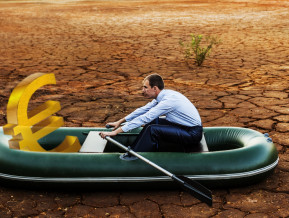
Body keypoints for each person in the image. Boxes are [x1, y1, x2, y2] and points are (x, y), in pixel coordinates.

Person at [99, 74, 203, 160]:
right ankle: (144, 147)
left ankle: (134, 155)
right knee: (154, 121)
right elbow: (143, 110)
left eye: (145, 87)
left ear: (154, 88)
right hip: (182, 127)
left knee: (152, 129)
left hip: (192, 133)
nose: (142, 90)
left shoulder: (168, 101)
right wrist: (120, 121)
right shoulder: (163, 96)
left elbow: (145, 117)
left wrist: (115, 132)